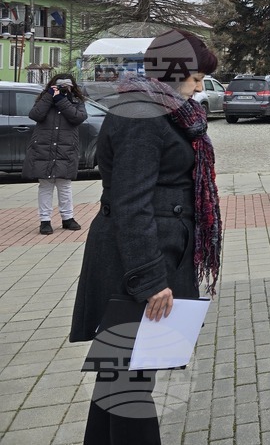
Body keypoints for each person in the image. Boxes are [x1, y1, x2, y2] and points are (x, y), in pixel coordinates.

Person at [70, 28, 221, 445]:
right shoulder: (143, 116)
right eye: (195, 77)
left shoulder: (159, 110)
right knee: (129, 384)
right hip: (136, 268)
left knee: (117, 377)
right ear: (177, 73)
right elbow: (130, 204)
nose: (200, 87)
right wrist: (152, 279)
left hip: (147, 258)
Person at [23, 73, 87, 234]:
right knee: (45, 185)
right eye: (60, 85)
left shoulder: (77, 101)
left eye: (67, 86)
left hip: (66, 148)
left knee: (64, 185)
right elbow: (35, 115)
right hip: (44, 147)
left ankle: (68, 218)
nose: (64, 89)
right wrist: (49, 97)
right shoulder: (45, 99)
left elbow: (77, 118)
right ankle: (45, 220)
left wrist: (62, 100)